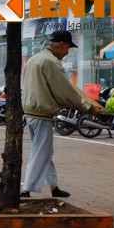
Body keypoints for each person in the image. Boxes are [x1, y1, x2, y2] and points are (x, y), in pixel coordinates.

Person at [21, 30, 103, 198]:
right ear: (61, 45)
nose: (67, 53)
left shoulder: (34, 59)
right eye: (68, 48)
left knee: (44, 151)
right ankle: (26, 189)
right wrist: (88, 107)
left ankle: (54, 187)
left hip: (30, 112)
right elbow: (65, 91)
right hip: (42, 113)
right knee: (41, 152)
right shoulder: (50, 62)